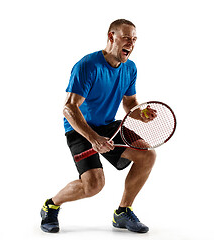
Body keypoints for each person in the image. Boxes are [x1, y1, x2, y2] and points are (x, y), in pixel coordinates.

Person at [40, 19, 157, 234]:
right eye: (126, 38)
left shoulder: (129, 68)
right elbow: (69, 108)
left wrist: (143, 113)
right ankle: (51, 205)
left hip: (107, 126)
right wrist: (94, 139)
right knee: (93, 186)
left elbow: (130, 103)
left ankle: (122, 212)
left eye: (134, 39)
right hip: (79, 127)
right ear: (111, 37)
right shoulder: (87, 66)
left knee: (147, 155)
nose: (130, 44)